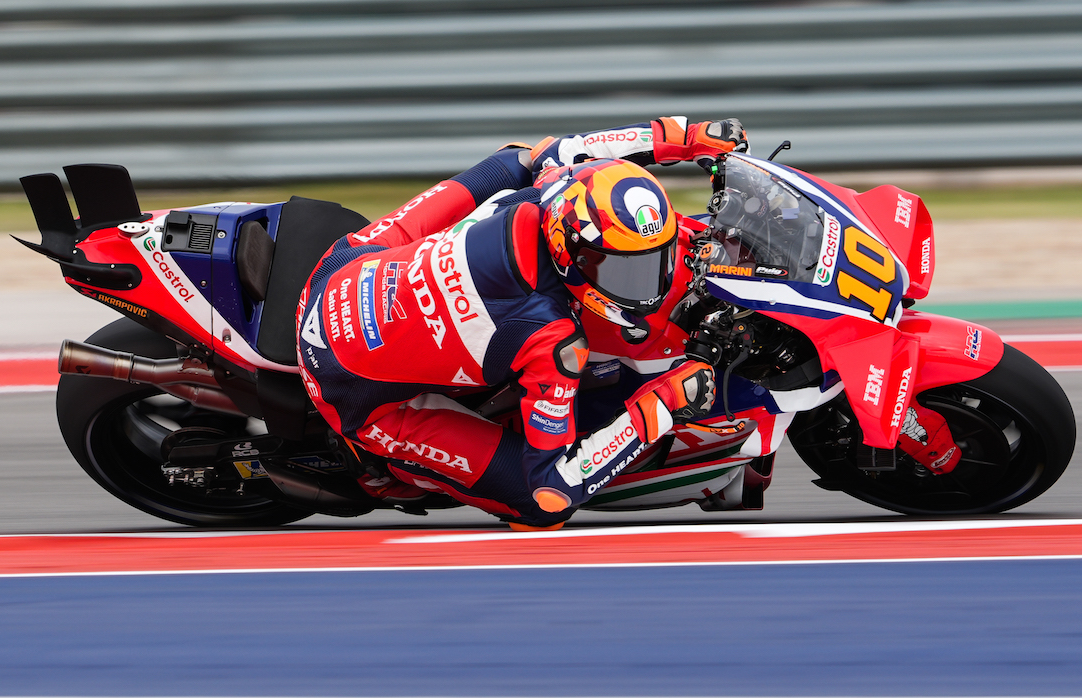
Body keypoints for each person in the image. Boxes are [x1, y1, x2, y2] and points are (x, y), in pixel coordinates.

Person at [296, 117, 747, 529]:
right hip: (343, 386)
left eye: (654, 260)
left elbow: (567, 149)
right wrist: (664, 404)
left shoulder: (552, 188)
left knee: (516, 161)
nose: (645, 285)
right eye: (622, 270)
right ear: (571, 253)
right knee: (540, 508)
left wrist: (690, 138)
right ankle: (383, 470)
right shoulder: (552, 340)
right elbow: (553, 485)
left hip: (339, 269)